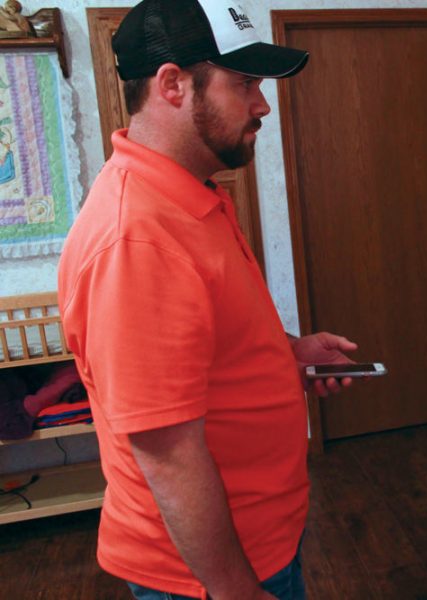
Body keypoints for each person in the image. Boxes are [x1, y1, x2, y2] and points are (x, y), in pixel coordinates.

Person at [57, 1, 358, 598]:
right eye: (244, 83)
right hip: (202, 574)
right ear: (172, 84)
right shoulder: (138, 238)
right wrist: (235, 590)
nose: (262, 105)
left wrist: (287, 355)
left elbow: (202, 351)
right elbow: (166, 453)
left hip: (261, 535)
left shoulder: (188, 195)